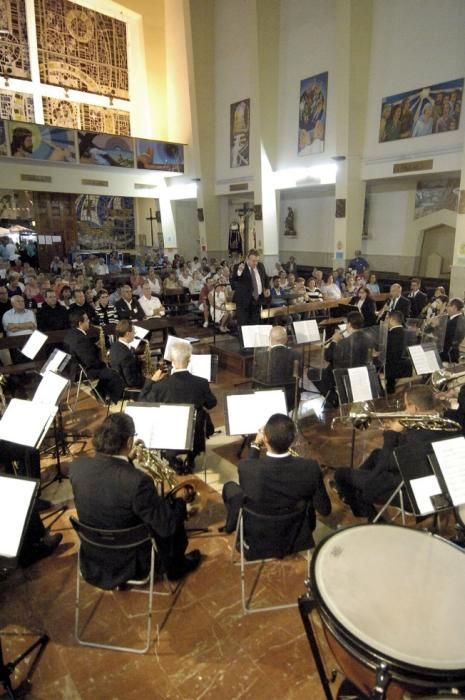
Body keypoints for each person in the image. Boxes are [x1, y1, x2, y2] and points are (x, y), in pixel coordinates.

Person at [69, 413, 201, 588]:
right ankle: (177, 566)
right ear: (130, 441)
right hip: (132, 562)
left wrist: (127, 460)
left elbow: (110, 483)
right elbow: (167, 526)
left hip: (94, 557)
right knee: (171, 511)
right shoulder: (138, 481)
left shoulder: (77, 466)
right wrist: (179, 499)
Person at [333, 386, 454, 520]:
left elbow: (386, 463)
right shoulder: (446, 423)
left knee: (340, 474)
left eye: (406, 405)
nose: (404, 410)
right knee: (376, 454)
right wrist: (402, 434)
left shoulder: (415, 438)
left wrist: (391, 434)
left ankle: (370, 512)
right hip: (435, 478)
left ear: (415, 408)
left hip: (411, 493)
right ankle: (360, 491)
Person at [222, 413, 331, 538]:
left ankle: (230, 525)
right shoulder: (310, 467)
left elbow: (250, 466)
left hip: (259, 535)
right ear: (292, 438)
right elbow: (325, 510)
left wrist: (256, 444)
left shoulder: (246, 468)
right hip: (298, 535)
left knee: (229, 487)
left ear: (265, 439)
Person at [139, 341, 217, 473]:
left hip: (170, 435)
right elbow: (211, 404)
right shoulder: (201, 383)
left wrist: (152, 380)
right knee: (201, 416)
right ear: (190, 359)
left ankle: (172, 460)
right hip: (194, 436)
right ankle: (191, 459)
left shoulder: (160, 386)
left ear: (172, 361)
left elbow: (142, 402)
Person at [64, 310, 123, 403]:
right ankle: (114, 399)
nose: (89, 322)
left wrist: (95, 348)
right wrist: (104, 363)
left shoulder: (71, 334)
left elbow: (84, 352)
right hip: (81, 371)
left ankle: (99, 391)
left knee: (106, 370)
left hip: (74, 368)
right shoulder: (80, 339)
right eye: (87, 320)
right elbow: (90, 361)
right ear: (80, 323)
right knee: (114, 373)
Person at [254, 326, 301, 411]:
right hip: (290, 398)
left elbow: (257, 378)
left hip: (267, 399)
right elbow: (298, 376)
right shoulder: (296, 354)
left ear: (269, 339)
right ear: (286, 339)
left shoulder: (261, 355)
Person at [231, 249, 270, 335]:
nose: (255, 263)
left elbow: (266, 278)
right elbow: (233, 282)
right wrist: (239, 272)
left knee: (255, 323)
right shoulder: (239, 267)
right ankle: (244, 347)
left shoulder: (260, 266)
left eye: (257, 260)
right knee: (244, 325)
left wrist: (267, 288)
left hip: (257, 300)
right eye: (253, 261)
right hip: (244, 301)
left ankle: (253, 344)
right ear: (247, 259)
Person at [109, 320, 145, 389]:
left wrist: (138, 361)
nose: (135, 333)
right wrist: (148, 380)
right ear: (128, 334)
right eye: (133, 331)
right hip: (129, 389)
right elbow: (131, 381)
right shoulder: (126, 355)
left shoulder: (114, 345)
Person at [384, 310, 412, 394]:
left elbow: (390, 354)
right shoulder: (405, 331)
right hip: (405, 364)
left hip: (393, 366)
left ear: (392, 320)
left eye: (387, 318)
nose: (386, 320)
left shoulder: (392, 334)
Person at [441, 298, 465, 363]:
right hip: (450, 352)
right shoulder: (459, 319)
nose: (446, 308)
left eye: (448, 306)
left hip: (448, 354)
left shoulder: (455, 321)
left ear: (454, 308)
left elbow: (446, 337)